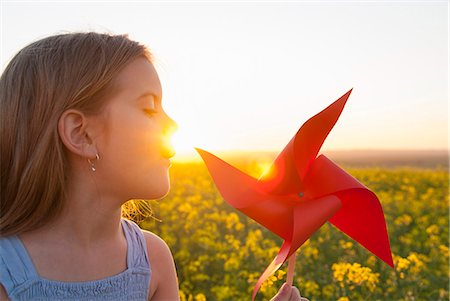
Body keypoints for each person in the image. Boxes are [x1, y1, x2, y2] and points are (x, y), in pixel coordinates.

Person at [0, 32, 308, 301]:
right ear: (82, 134)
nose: (172, 123)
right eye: (149, 109)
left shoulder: (152, 260)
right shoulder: (7, 271)